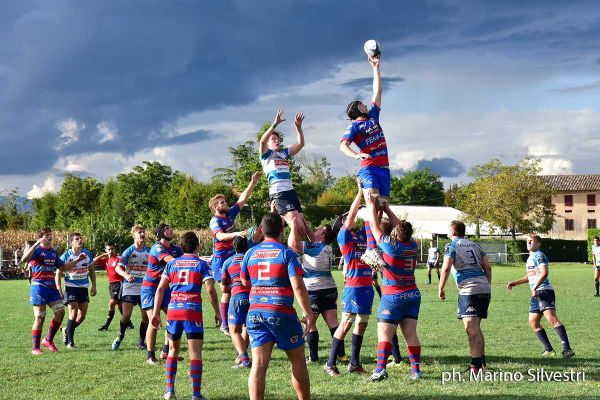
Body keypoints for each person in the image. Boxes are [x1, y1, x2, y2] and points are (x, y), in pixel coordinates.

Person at [240, 212, 313, 400]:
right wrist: (309, 314)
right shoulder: (287, 252)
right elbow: (297, 285)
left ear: (262, 230)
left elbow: (244, 282)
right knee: (297, 360)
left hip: (255, 312)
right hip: (281, 311)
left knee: (258, 364)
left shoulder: (250, 252)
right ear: (282, 230)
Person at [152, 231, 220, 400]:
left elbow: (160, 289)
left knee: (173, 350)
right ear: (198, 246)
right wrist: (218, 311)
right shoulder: (201, 264)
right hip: (192, 311)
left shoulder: (172, 264)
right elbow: (210, 289)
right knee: (195, 352)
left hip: (174, 310)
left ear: (181, 246)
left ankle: (169, 391)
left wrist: (155, 313)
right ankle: (196, 394)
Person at [364, 194, 421, 381]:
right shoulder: (412, 245)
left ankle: (380, 369)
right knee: (410, 334)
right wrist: (387, 208)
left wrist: (372, 205)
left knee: (384, 334)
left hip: (394, 295)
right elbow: (400, 227)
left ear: (396, 233)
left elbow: (373, 226)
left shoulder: (392, 246)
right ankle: (416, 371)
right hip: (412, 293)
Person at [340, 53, 387, 271]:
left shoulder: (373, 118)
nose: (365, 104)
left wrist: (375, 68)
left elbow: (377, 91)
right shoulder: (355, 126)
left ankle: (373, 247)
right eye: (362, 103)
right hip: (368, 169)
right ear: (357, 109)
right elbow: (342, 145)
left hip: (384, 169)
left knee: (379, 209)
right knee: (372, 200)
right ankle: (371, 247)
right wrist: (356, 155)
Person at [324, 184, 373, 376]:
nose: (351, 218)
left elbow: (372, 221)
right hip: (353, 287)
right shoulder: (344, 236)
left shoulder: (361, 235)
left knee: (362, 322)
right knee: (346, 323)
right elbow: (352, 214)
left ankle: (354, 363)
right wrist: (361, 192)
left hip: (367, 286)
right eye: (346, 218)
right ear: (342, 224)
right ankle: (330, 363)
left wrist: (373, 200)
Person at [288, 218, 348, 364]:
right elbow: (312, 237)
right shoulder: (326, 247)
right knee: (333, 322)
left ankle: (313, 357)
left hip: (314, 291)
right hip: (330, 289)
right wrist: (305, 223)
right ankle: (341, 355)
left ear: (322, 235)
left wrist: (294, 224)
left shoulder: (316, 247)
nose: (315, 230)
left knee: (310, 323)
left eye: (319, 229)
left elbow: (292, 244)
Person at [209, 171, 261, 336]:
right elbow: (220, 236)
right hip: (220, 259)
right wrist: (239, 233)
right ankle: (225, 324)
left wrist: (252, 183)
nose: (226, 203)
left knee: (239, 288)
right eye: (222, 202)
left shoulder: (229, 214)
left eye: (224, 201)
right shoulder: (215, 221)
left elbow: (242, 200)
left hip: (233, 257)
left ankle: (242, 319)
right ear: (216, 207)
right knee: (227, 291)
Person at [507, 234, 575, 358]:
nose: (528, 243)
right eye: (527, 241)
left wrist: (535, 287)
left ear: (538, 243)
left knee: (552, 319)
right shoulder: (531, 257)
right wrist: (515, 283)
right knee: (533, 322)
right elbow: (532, 275)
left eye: (531, 241)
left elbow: (544, 272)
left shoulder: (538, 255)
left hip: (543, 291)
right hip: (536, 292)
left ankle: (567, 349)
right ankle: (548, 349)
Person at [21, 228, 86, 355]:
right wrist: (35, 244)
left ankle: (48, 340)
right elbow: (24, 259)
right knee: (40, 316)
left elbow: (62, 267)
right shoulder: (37, 250)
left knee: (60, 312)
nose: (50, 237)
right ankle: (35, 347)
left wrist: (78, 260)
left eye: (50, 235)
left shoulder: (53, 253)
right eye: (46, 236)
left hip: (51, 287)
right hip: (39, 286)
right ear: (41, 238)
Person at [438, 220, 491, 373]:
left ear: (453, 232)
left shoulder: (451, 246)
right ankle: (482, 364)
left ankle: (475, 367)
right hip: (483, 287)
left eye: (448, 229)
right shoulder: (475, 245)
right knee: (476, 328)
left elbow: (446, 267)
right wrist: (487, 285)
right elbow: (487, 266)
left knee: (471, 329)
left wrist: (440, 288)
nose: (447, 231)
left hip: (469, 290)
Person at [142, 223, 184, 364]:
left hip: (165, 288)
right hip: (150, 288)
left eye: (171, 228)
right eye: (167, 229)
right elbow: (171, 262)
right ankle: (150, 355)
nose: (171, 230)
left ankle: (166, 352)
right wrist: (186, 264)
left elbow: (187, 257)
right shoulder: (157, 247)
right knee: (154, 321)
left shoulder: (175, 248)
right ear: (161, 232)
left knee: (173, 317)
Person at [259, 109, 305, 226]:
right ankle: (276, 241)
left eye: (277, 139)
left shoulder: (284, 153)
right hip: (279, 192)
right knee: (295, 222)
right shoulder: (266, 156)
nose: (277, 140)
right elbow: (262, 141)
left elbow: (300, 144)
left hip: (290, 191)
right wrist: (275, 124)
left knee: (301, 223)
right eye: (273, 139)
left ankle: (301, 244)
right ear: (268, 144)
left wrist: (298, 128)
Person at [56, 232, 100, 348]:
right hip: (70, 287)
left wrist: (94, 285)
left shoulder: (87, 254)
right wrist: (59, 288)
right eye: (77, 239)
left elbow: (91, 270)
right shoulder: (66, 256)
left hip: (83, 288)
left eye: (80, 238)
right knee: (73, 312)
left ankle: (66, 330)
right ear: (71, 242)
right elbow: (58, 273)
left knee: (82, 316)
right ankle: (70, 342)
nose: (80, 240)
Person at [112, 225, 150, 351]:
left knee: (146, 317)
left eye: (143, 232)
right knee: (126, 315)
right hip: (129, 286)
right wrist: (126, 275)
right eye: (139, 232)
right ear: (134, 235)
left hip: (144, 287)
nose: (142, 234)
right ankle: (120, 335)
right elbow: (118, 267)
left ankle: (141, 341)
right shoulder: (129, 251)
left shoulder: (149, 251)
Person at [221, 236, 251, 368]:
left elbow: (224, 287)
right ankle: (242, 355)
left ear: (234, 247)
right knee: (247, 327)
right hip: (253, 296)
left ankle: (244, 359)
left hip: (237, 296)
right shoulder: (252, 258)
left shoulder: (228, 262)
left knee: (234, 331)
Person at [98, 241, 133, 331]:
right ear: (106, 250)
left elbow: (124, 268)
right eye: (109, 249)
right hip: (111, 284)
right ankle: (129, 323)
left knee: (112, 303)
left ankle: (106, 326)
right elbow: (93, 262)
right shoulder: (106, 260)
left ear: (115, 249)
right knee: (120, 305)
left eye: (112, 249)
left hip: (119, 283)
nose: (111, 251)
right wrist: (103, 255)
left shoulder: (118, 259)